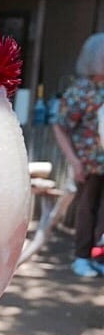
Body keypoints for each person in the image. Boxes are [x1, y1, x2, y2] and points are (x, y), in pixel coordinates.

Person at [52, 32, 104, 277]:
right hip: (89, 163)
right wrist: (74, 162)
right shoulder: (81, 92)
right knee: (87, 209)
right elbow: (60, 125)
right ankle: (82, 257)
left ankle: (99, 256)